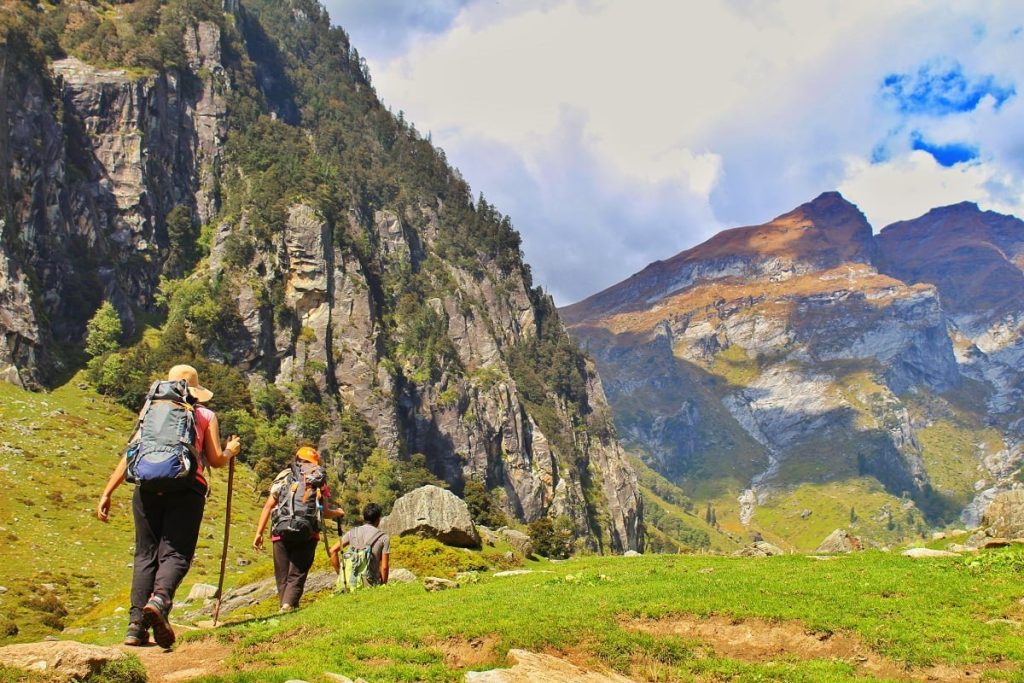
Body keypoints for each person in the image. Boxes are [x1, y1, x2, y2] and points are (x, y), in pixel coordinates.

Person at [96, 364, 240, 649]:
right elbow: (214, 460)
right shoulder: (204, 414)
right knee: (175, 552)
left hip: (146, 489)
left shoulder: (149, 411)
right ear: (195, 391)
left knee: (145, 555)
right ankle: (160, 600)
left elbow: (132, 453)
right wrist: (230, 451)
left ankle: (136, 627)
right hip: (187, 489)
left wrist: (107, 491)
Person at [252, 446, 345, 612]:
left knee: (282, 576)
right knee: (298, 572)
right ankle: (288, 606)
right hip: (307, 534)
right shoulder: (317, 478)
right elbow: (324, 512)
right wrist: (338, 512)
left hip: (280, 532)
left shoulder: (284, 476)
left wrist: (259, 533)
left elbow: (268, 506)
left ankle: (286, 606)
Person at [329, 502, 390, 586]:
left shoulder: (353, 532)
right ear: (378, 519)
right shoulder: (383, 537)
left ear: (364, 517)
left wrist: (341, 574)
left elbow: (333, 551)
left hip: (350, 581)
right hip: (370, 584)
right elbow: (384, 567)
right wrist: (384, 585)